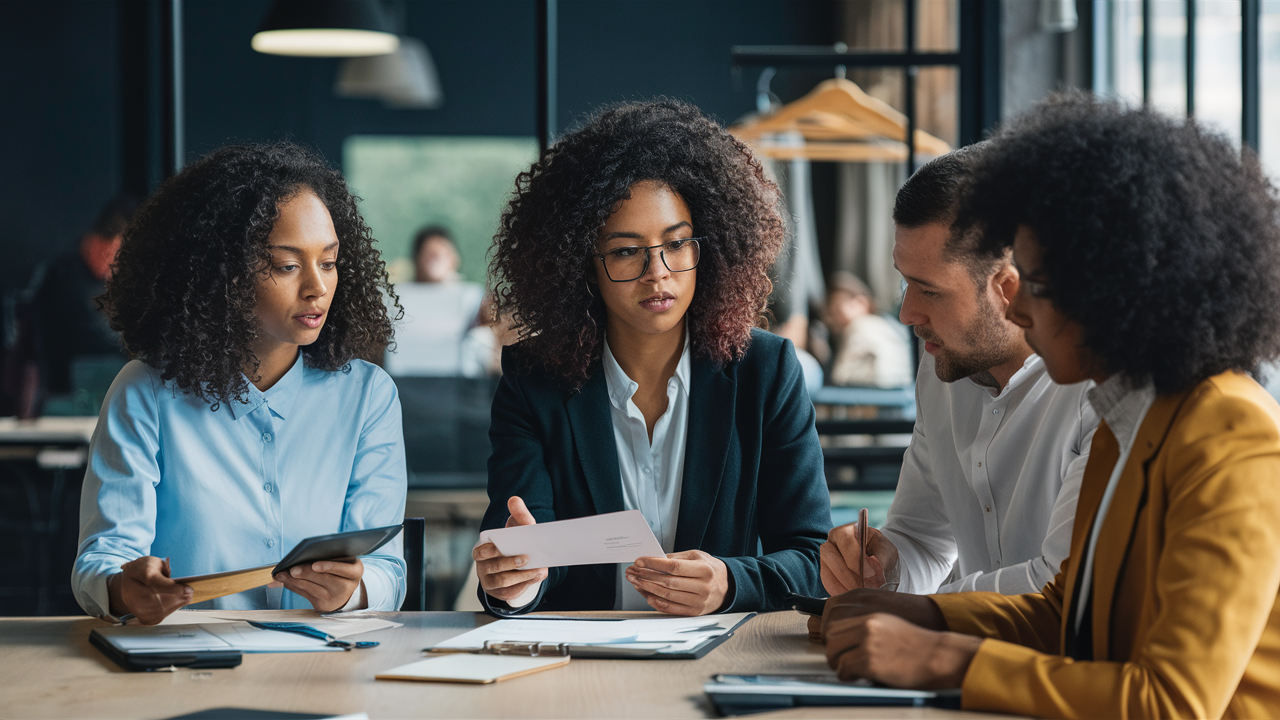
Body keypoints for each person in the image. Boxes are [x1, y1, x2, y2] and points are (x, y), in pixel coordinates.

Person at [818, 94, 1280, 718]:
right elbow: (1065, 610)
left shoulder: (1231, 427)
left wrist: (941, 655)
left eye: (1033, 285)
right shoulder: (1129, 415)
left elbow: (1173, 701)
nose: (1020, 309)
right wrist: (916, 609)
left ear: (1108, 287)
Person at [474, 100, 832, 616]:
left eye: (677, 244)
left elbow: (813, 558)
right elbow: (524, 557)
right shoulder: (534, 381)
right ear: (582, 264)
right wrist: (517, 582)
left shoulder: (766, 371)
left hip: (719, 659)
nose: (657, 272)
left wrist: (730, 583)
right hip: (581, 669)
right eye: (625, 251)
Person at [72, 142, 408, 624]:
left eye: (329, 262)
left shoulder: (367, 396)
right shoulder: (145, 393)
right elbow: (101, 561)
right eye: (287, 265)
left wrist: (354, 590)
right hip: (185, 665)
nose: (317, 286)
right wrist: (125, 590)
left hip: (321, 669)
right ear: (220, 273)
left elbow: (387, 570)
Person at [818, 147, 1098, 598]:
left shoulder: (1098, 386)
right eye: (905, 282)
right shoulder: (941, 367)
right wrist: (881, 569)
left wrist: (921, 612)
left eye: (929, 290)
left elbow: (1061, 586)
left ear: (1008, 289)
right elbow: (923, 541)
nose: (907, 313)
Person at [32, 195, 137, 394]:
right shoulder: (65, 279)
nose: (122, 267)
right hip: (67, 395)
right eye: (123, 254)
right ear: (113, 244)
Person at [821, 271, 911, 388]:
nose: (833, 320)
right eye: (831, 314)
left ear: (861, 302)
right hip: (901, 397)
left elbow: (839, 377)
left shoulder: (859, 326)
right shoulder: (887, 326)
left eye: (837, 311)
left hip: (872, 398)